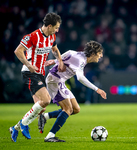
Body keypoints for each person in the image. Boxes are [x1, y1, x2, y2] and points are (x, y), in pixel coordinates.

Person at [9, 12, 65, 142]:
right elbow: (18, 51)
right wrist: (28, 65)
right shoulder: (33, 36)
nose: (57, 30)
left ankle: (15, 128)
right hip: (29, 72)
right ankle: (24, 125)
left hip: (40, 73)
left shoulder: (52, 37)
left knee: (40, 108)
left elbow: (55, 50)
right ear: (49, 26)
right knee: (46, 99)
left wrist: (60, 61)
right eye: (56, 27)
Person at [38, 40, 107, 142]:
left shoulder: (77, 54)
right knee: (68, 109)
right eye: (99, 53)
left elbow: (68, 54)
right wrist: (97, 89)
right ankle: (50, 136)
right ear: (93, 53)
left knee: (75, 109)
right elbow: (80, 78)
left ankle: (45, 117)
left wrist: (55, 61)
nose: (101, 56)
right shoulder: (81, 61)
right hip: (55, 81)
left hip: (60, 81)